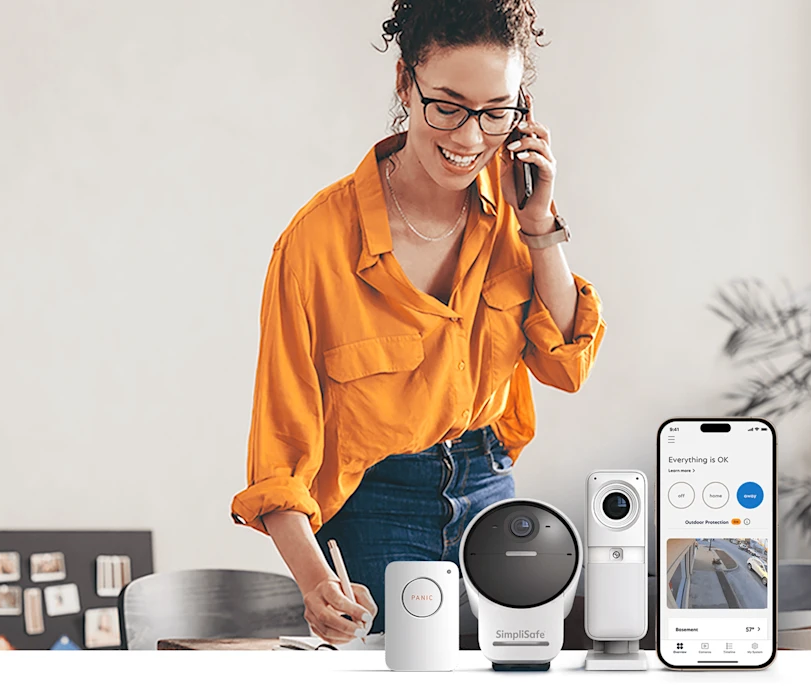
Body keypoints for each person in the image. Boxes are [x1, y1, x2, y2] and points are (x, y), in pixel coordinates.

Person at [230, 0, 606, 644]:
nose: (468, 138)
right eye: (448, 105)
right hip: (375, 502)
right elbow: (280, 451)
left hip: (490, 484)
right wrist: (316, 581)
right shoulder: (316, 244)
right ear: (405, 82)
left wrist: (540, 225)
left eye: (496, 112)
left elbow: (565, 364)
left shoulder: (513, 208)